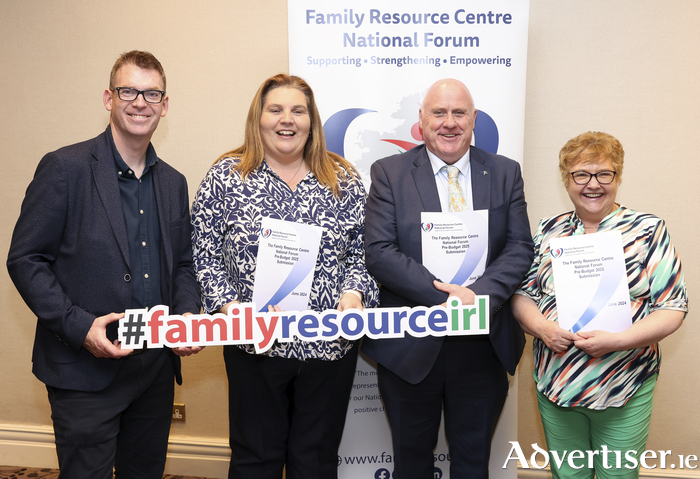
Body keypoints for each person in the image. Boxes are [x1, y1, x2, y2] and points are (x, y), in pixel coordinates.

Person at [6, 50, 202, 479]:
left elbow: (183, 264)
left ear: (164, 105)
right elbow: (25, 259)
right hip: (85, 371)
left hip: (153, 368)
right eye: (128, 90)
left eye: (152, 93)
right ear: (108, 98)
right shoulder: (64, 168)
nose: (140, 102)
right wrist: (80, 327)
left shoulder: (173, 182)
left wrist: (187, 316)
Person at [190, 73, 379, 479]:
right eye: (275, 109)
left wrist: (354, 293)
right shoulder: (226, 176)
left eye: (298, 110)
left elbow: (364, 253)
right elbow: (202, 253)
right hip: (254, 347)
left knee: (315, 462)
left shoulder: (342, 178)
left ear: (312, 121)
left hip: (328, 345)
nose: (286, 119)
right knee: (255, 461)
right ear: (258, 118)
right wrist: (229, 306)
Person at [361, 78, 534, 478]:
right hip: (411, 343)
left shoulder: (505, 173)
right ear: (421, 120)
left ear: (474, 120)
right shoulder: (390, 172)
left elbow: (520, 246)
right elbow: (380, 251)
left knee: (473, 463)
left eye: (459, 113)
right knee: (411, 462)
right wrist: (446, 300)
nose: (449, 123)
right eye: (439, 113)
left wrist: (479, 295)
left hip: (482, 343)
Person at [512, 131, 687, 479]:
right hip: (556, 382)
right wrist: (543, 329)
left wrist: (618, 341)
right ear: (567, 180)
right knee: (568, 476)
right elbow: (523, 295)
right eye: (581, 174)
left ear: (617, 176)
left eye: (603, 174)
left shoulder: (647, 230)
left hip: (624, 382)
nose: (593, 184)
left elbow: (672, 307)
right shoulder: (550, 229)